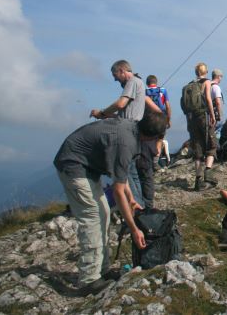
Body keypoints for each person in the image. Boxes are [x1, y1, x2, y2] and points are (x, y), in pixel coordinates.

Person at [54, 111, 167, 295]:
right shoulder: (126, 143)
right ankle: (89, 280)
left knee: (104, 213)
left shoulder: (132, 131)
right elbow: (118, 190)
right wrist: (133, 228)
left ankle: (103, 271)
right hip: (73, 165)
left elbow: (120, 178)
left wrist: (131, 200)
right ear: (153, 136)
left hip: (85, 165)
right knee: (93, 217)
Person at [89, 60, 163, 207]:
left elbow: (120, 104)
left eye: (115, 74)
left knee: (126, 172)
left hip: (125, 132)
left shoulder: (133, 82)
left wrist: (102, 112)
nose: (115, 79)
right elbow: (125, 114)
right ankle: (140, 204)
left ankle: (136, 206)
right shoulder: (139, 84)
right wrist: (106, 115)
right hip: (132, 129)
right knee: (133, 172)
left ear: (122, 70)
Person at [182, 62, 218, 191]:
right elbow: (208, 99)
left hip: (192, 120)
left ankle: (197, 180)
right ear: (205, 72)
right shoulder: (206, 82)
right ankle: (207, 176)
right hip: (204, 116)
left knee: (197, 149)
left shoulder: (189, 86)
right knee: (211, 145)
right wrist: (213, 115)